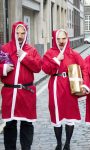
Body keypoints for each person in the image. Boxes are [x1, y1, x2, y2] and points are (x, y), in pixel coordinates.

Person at [42, 29, 90, 150]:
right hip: (55, 86)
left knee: (70, 115)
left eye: (63, 38)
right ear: (55, 39)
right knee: (56, 114)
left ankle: (67, 143)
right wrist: (57, 59)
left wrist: (84, 85)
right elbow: (46, 69)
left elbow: (84, 68)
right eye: (58, 39)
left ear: (67, 38)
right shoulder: (49, 53)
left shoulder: (73, 54)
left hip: (70, 86)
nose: (61, 41)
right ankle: (59, 143)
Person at [0, 21, 42, 150]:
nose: (20, 36)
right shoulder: (5, 49)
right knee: (10, 124)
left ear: (26, 34)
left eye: (22, 33)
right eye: (17, 33)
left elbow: (38, 67)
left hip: (26, 92)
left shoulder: (32, 50)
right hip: (10, 93)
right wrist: (4, 68)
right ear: (13, 33)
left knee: (27, 124)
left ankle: (26, 148)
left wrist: (24, 57)